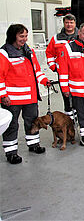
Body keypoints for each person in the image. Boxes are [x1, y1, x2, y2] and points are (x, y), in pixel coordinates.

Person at [0, 24, 50, 164]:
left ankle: (33, 144)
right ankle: (11, 153)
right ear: (13, 36)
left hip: (30, 97)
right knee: (12, 125)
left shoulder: (29, 51)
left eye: (26, 36)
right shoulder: (4, 53)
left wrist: (45, 81)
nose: (24, 39)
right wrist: (3, 96)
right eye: (21, 36)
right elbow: (0, 76)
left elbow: (36, 71)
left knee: (32, 122)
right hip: (12, 99)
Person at [45, 13, 78, 119]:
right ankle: (69, 121)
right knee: (66, 97)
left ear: (75, 24)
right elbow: (49, 53)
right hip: (63, 73)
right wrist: (53, 66)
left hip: (77, 73)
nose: (69, 25)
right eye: (67, 22)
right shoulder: (56, 38)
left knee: (79, 98)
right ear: (64, 23)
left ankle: (79, 118)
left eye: (71, 23)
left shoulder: (80, 37)